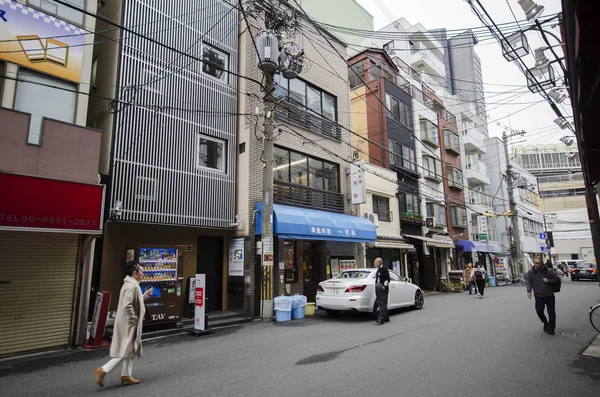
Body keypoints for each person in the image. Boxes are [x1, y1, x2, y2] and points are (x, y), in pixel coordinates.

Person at [95, 261, 151, 387]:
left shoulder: (131, 284)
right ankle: (104, 369)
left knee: (130, 347)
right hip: (129, 323)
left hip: (128, 322)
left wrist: (144, 296)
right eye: (141, 271)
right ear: (134, 273)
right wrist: (134, 319)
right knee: (126, 349)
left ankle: (126, 374)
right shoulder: (132, 286)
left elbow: (133, 302)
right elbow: (127, 305)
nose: (143, 273)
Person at [526, 257, 559, 335]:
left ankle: (551, 328)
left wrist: (548, 280)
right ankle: (545, 322)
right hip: (538, 295)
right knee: (539, 311)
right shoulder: (531, 272)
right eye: (536, 263)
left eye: (539, 263)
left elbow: (556, 280)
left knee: (551, 313)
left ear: (542, 263)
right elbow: (529, 282)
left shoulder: (549, 271)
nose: (537, 265)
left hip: (549, 295)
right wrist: (529, 291)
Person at [374, 258, 390, 325]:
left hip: (382, 288)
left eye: (375, 262)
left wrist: (384, 286)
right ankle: (386, 317)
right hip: (377, 287)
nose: (374, 263)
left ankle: (380, 319)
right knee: (380, 303)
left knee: (382, 303)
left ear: (379, 263)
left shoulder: (384, 269)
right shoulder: (378, 270)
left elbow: (387, 279)